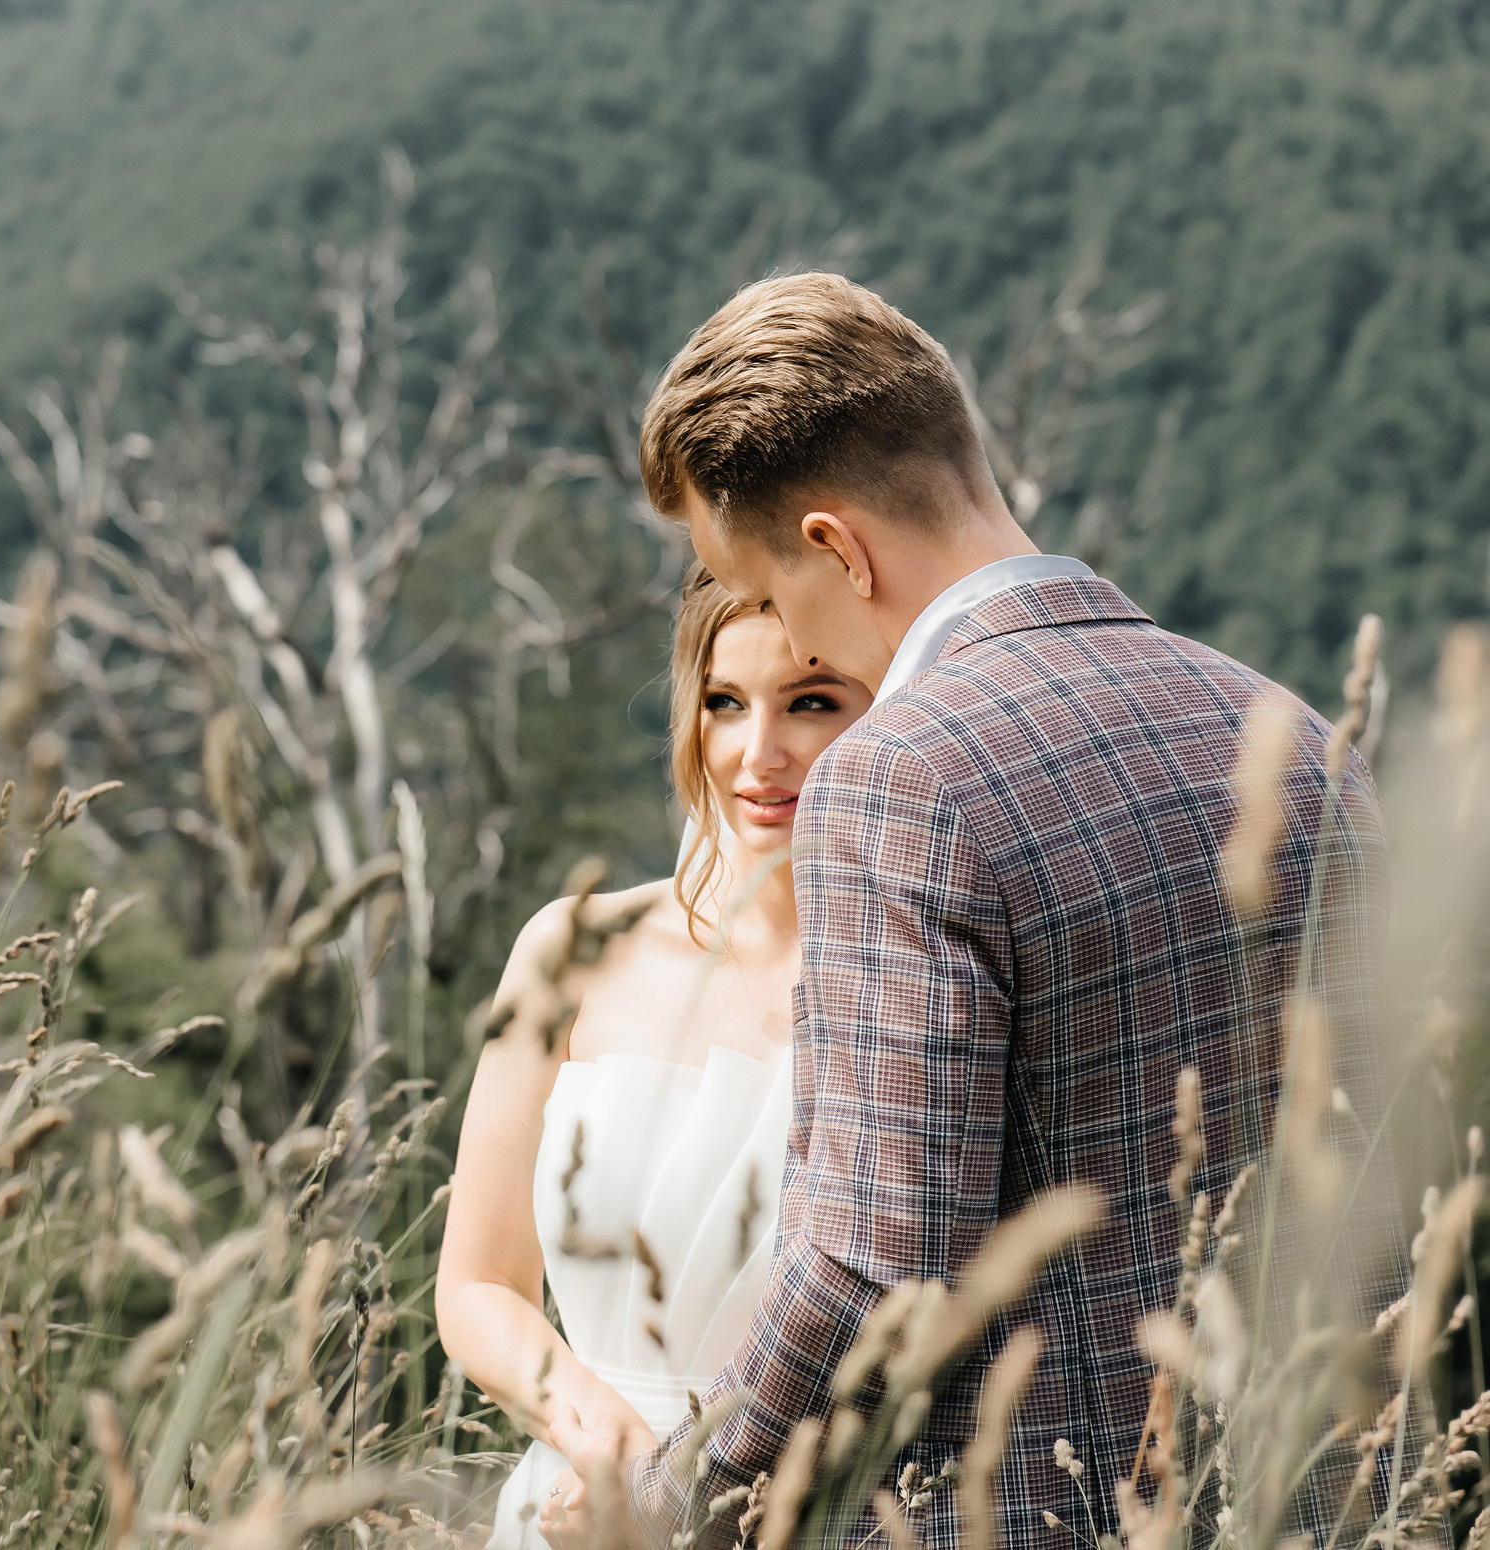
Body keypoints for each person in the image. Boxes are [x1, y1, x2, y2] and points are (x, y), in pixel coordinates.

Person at [539, 272, 1387, 1548]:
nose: (780, 633)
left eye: (765, 594)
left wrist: (665, 1509)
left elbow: (876, 1269)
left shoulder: (901, 781)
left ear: (836, 547)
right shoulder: (1300, 736)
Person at [435, 561, 873, 1549]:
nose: (760, 753)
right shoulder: (571, 946)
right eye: (724, 702)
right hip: (572, 1503)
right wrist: (604, 1446)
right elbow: (477, 1283)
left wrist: (689, 1491)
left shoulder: (908, 984)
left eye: (812, 701)